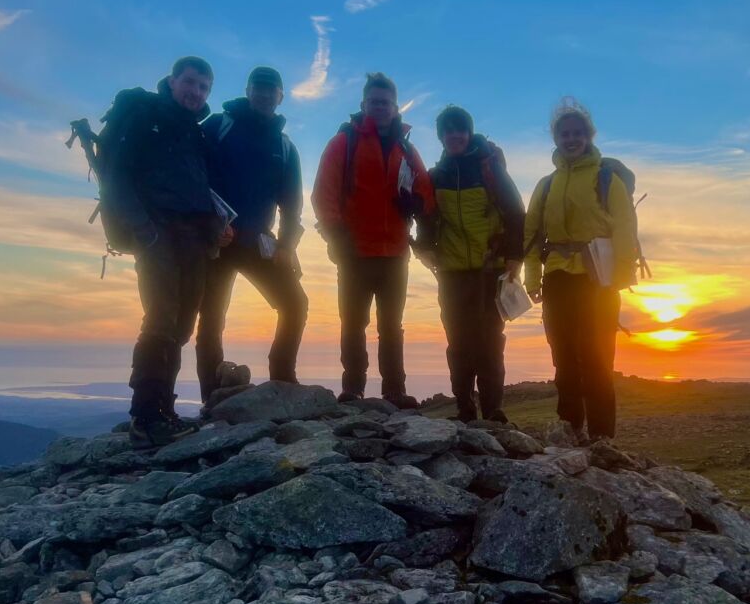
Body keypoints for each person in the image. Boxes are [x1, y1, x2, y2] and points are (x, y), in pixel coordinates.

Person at [109, 56, 228, 447]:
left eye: (204, 87)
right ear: (173, 81)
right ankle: (144, 416)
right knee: (160, 320)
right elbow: (117, 176)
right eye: (190, 83)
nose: (196, 92)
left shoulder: (193, 132)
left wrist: (214, 230)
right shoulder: (146, 117)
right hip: (157, 233)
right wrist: (143, 230)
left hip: (193, 238)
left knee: (181, 326)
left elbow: (200, 189)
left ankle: (164, 410)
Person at [312, 72, 434, 408]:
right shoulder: (344, 142)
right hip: (354, 251)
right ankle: (353, 389)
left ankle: (394, 390)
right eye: (374, 102)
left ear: (395, 108)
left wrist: (416, 203)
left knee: (392, 325)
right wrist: (337, 236)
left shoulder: (406, 148)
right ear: (364, 105)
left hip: (394, 252)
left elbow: (425, 190)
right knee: (353, 323)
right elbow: (324, 193)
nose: (379, 107)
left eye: (386, 103)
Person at [523, 98, 638, 442]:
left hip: (597, 280)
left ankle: (603, 439)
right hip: (557, 276)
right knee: (563, 360)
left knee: (598, 359)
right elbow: (530, 237)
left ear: (588, 136)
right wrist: (532, 279)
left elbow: (625, 230)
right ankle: (569, 431)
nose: (571, 139)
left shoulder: (606, 179)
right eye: (564, 134)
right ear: (555, 138)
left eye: (577, 133)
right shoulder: (546, 185)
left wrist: (617, 277)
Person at [195, 66, 307, 402]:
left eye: (271, 89)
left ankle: (282, 380)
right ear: (248, 89)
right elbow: (192, 179)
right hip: (216, 241)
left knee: (295, 304)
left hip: (259, 242)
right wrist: (208, 227)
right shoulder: (218, 126)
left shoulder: (284, 146)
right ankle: (211, 397)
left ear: (280, 96)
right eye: (258, 87)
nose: (264, 93)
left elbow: (292, 203)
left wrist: (287, 244)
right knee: (211, 318)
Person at [426, 105, 525, 423]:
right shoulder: (435, 176)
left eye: (460, 129)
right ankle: (465, 407)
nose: (455, 135)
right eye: (448, 130)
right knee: (458, 341)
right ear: (441, 136)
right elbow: (427, 219)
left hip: (490, 269)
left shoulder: (490, 169)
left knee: (490, 340)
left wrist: (514, 257)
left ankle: (493, 409)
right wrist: (424, 247)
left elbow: (515, 214)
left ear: (468, 133)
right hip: (452, 272)